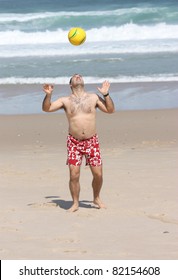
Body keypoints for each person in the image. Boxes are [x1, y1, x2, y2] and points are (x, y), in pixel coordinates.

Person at [42, 74, 115, 212]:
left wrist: (106, 95)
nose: (77, 76)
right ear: (71, 84)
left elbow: (110, 110)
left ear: (83, 82)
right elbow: (47, 108)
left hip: (92, 140)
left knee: (98, 174)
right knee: (74, 174)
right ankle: (75, 203)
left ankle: (96, 197)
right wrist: (48, 95)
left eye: (79, 76)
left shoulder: (93, 97)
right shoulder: (65, 100)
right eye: (74, 77)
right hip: (74, 142)